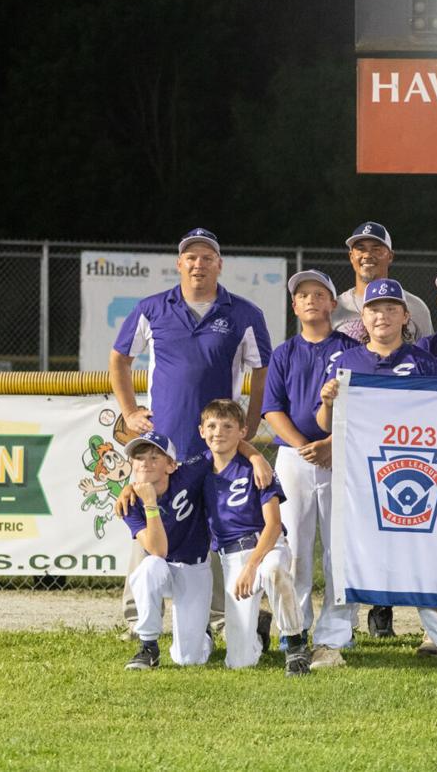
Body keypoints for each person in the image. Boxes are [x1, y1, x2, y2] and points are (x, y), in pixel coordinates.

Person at [109, 227, 274, 636]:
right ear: (179, 263)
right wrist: (129, 412)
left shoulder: (244, 313)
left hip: (216, 447)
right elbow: (119, 359)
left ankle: (220, 617)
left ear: (220, 265)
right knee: (145, 517)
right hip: (162, 445)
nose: (198, 264)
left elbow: (263, 370)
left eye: (207, 257)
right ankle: (138, 619)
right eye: (191, 257)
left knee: (218, 526)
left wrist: (250, 426)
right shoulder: (153, 308)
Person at [317, 278, 437, 671]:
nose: (382, 315)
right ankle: (330, 642)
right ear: (363, 317)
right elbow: (324, 424)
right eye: (374, 309)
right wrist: (326, 401)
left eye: (390, 308)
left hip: (412, 472)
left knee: (424, 554)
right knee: (344, 556)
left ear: (405, 316)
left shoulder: (422, 361)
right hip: (357, 478)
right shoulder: (345, 361)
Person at [261, 269, 362, 671]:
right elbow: (272, 409)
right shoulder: (284, 352)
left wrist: (331, 447)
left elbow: (363, 408)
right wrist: (306, 448)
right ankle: (296, 629)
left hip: (341, 454)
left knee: (340, 549)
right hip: (294, 457)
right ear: (294, 306)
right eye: (302, 295)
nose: (309, 300)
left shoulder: (353, 349)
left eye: (318, 294)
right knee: (296, 548)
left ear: (332, 304)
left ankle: (336, 634)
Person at [198, 398, 310, 676]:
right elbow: (163, 474)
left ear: (242, 431)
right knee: (239, 661)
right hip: (231, 556)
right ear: (201, 431)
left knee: (273, 571)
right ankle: (259, 631)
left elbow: (273, 525)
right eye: (211, 426)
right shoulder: (198, 467)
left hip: (265, 545)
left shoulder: (257, 470)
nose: (218, 432)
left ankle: (295, 646)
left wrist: (252, 566)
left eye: (227, 426)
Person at [121, 431, 212, 670]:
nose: (145, 463)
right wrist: (149, 503)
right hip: (163, 566)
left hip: (194, 567)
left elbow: (222, 447)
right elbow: (158, 550)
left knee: (188, 659)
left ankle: (204, 632)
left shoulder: (188, 474)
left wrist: (255, 457)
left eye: (154, 457)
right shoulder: (129, 504)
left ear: (171, 465)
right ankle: (148, 647)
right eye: (139, 458)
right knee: (149, 567)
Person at [331, 221, 434, 345]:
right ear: (351, 256)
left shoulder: (415, 307)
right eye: (360, 248)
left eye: (376, 249)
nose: (367, 255)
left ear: (390, 256)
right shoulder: (336, 308)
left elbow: (428, 357)